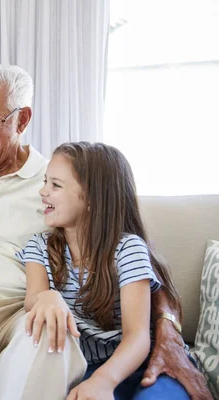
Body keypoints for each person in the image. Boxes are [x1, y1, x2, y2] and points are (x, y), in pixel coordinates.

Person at [0, 64, 211, 400]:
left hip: (23, 315)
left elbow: (129, 248)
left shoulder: (62, 179)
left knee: (49, 327)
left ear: (22, 119)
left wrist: (168, 325)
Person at [18, 142, 190, 399]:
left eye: (56, 185)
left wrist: (104, 380)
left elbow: (137, 335)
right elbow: (33, 300)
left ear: (91, 198)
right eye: (45, 181)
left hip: (143, 365)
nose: (43, 191)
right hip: (86, 367)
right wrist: (47, 297)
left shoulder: (128, 249)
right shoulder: (39, 247)